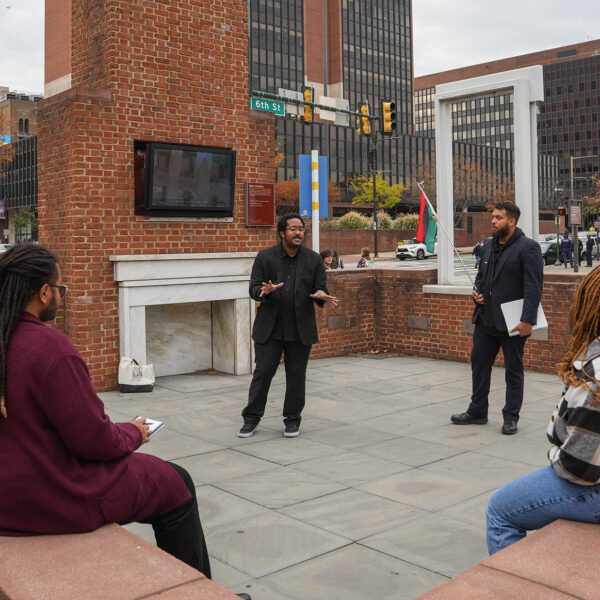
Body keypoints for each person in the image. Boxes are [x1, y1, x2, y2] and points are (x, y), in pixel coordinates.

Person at [0, 244, 234, 587]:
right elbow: (93, 441)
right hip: (46, 495)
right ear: (44, 292)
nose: (61, 298)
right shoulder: (49, 349)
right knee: (174, 481)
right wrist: (133, 432)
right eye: (60, 289)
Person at [486, 266, 600, 554]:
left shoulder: (594, 373)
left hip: (592, 485)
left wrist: (555, 456)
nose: (571, 309)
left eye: (578, 300)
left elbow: (578, 468)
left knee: (500, 510)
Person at [238, 214, 339, 438]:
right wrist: (263, 291)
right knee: (262, 374)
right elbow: (253, 287)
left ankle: (292, 420)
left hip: (299, 328)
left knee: (296, 376)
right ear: (282, 232)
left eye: (301, 229)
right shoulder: (265, 257)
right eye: (293, 229)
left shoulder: (313, 260)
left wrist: (322, 295)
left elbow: (321, 289)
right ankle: (251, 418)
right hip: (270, 328)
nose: (298, 233)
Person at [451, 202, 543, 435]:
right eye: (493, 217)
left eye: (498, 218)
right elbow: (481, 276)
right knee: (479, 366)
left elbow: (533, 287)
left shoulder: (528, 248)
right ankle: (477, 411)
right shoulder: (488, 245)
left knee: (513, 370)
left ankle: (511, 416)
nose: (493, 221)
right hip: (485, 320)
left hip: (513, 323)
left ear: (511, 221)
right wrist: (477, 294)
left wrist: (527, 321)